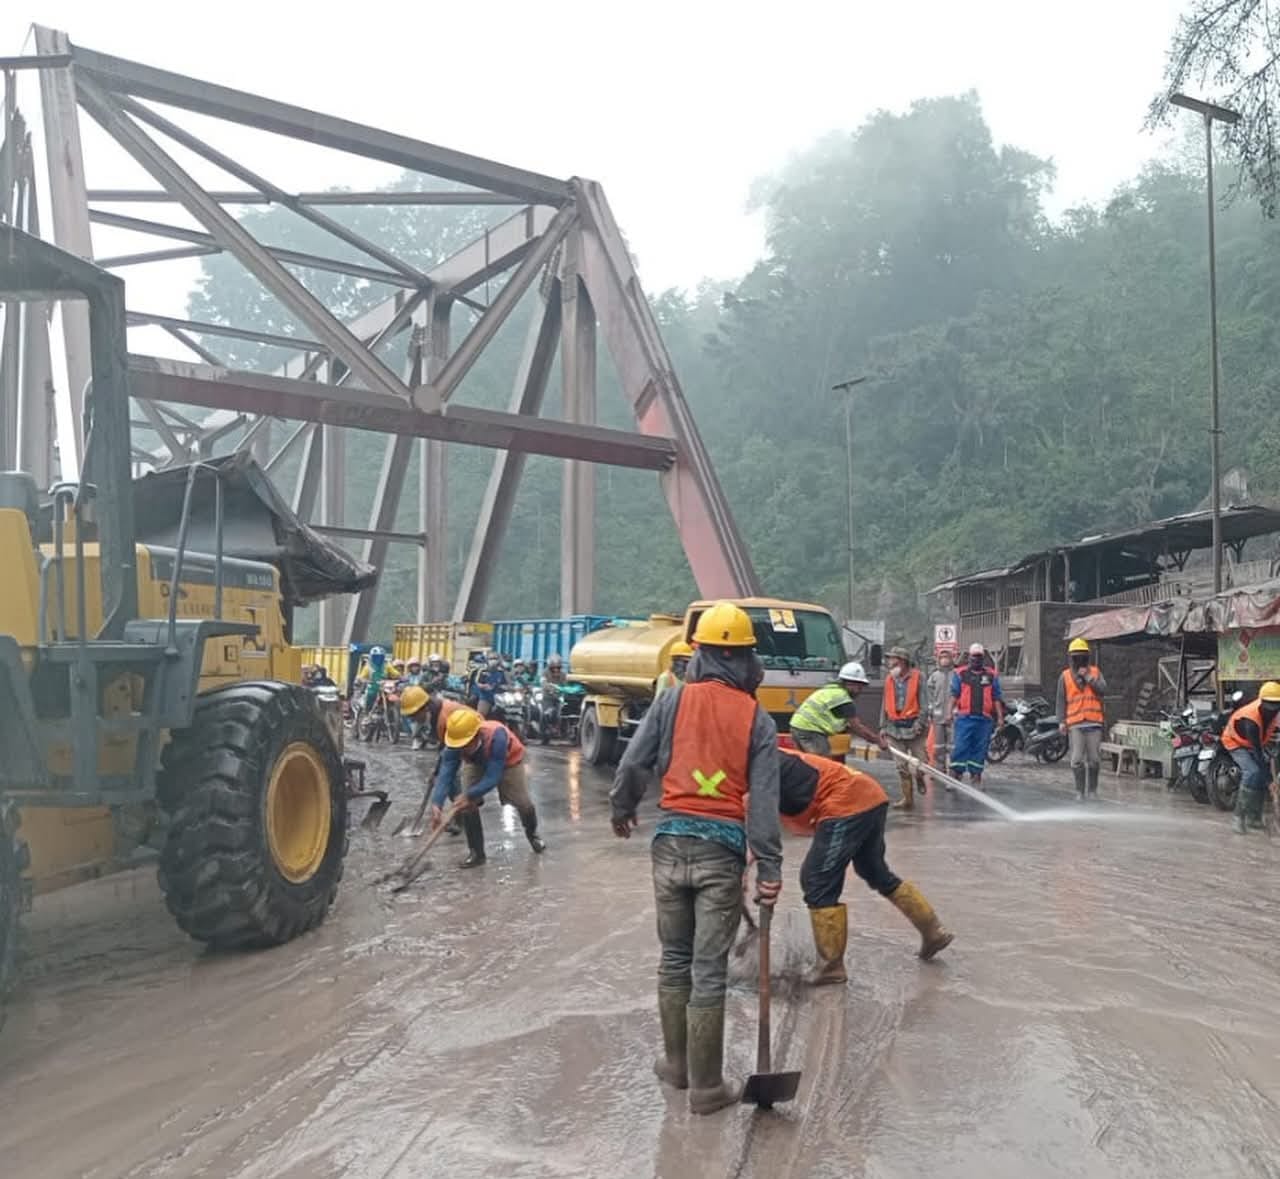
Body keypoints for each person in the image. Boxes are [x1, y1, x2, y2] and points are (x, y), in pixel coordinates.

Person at [609, 602, 783, 1116]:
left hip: (669, 844)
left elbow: (633, 762)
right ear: (748, 660)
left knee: (674, 960)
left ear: (700, 653)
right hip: (722, 851)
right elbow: (766, 803)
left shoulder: (671, 700)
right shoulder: (758, 719)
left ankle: (677, 1066)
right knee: (708, 970)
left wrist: (622, 810)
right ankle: (706, 1088)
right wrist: (769, 870)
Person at [778, 748, 953, 984]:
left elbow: (760, 827)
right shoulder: (766, 755)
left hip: (845, 802)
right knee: (873, 871)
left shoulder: (759, 764)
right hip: (869, 794)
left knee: (817, 879)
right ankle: (933, 931)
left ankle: (831, 967)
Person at [430, 706, 546, 866]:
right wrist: (437, 803)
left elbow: (493, 776)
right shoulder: (454, 742)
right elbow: (446, 772)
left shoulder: (497, 736)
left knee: (524, 804)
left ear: (477, 735)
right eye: (459, 746)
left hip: (508, 762)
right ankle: (476, 853)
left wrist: (470, 794)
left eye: (466, 744)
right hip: (475, 763)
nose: (462, 748)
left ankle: (532, 834)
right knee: (466, 805)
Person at [789, 661, 887, 760]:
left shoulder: (830, 690)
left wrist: (872, 739)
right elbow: (857, 727)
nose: (860, 690)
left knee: (806, 763)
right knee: (823, 765)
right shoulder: (843, 699)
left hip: (797, 727)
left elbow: (849, 727)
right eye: (859, 686)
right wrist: (877, 740)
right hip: (811, 731)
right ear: (850, 683)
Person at [1221, 680, 1280, 834]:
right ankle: (1238, 817)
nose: (1272, 710)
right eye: (1269, 706)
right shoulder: (1250, 719)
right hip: (1236, 742)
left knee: (1260, 775)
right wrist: (1270, 781)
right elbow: (1258, 753)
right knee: (1253, 772)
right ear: (1262, 702)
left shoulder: (1276, 712)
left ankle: (1254, 818)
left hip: (1259, 742)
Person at [880, 646, 930, 810]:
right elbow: (884, 704)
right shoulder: (889, 679)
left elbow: (924, 703)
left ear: (902, 661)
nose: (889, 662)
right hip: (894, 729)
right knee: (901, 766)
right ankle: (908, 799)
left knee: (920, 763)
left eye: (892, 659)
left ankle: (920, 777)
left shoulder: (918, 677)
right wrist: (882, 726)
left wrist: (919, 724)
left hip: (914, 727)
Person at [1057, 638, 1108, 801]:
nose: (1080, 660)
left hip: (1094, 723)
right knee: (1077, 760)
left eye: (1082, 657)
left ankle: (1092, 791)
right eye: (1076, 657)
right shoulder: (1064, 676)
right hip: (1076, 724)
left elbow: (1103, 690)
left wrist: (1088, 678)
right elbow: (1060, 700)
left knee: (1094, 760)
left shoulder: (1095, 672)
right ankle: (1080, 791)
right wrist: (1061, 721)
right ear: (1071, 658)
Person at [950, 643, 1004, 783]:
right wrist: (949, 712)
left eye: (979, 656)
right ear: (969, 657)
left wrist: (1000, 717)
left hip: (984, 719)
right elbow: (954, 695)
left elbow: (996, 697)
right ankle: (956, 773)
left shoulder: (991, 675)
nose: (977, 659)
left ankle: (976, 774)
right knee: (961, 745)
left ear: (983, 657)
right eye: (974, 656)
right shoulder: (960, 674)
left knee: (980, 748)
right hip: (965, 718)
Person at [927, 649, 955, 776]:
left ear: (951, 659)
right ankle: (940, 771)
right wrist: (930, 711)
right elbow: (929, 695)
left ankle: (953, 772)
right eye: (942, 657)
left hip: (953, 716)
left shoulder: (956, 675)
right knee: (938, 746)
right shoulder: (934, 676)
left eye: (946, 657)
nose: (944, 659)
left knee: (952, 746)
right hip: (937, 716)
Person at [472, 652, 507, 717]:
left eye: (495, 659)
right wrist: (485, 686)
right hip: (486, 697)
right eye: (491, 659)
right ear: (487, 660)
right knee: (480, 716)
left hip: (499, 699)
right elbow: (478, 683)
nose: (493, 661)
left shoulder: (501, 672)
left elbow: (505, 684)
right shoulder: (483, 671)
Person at [400, 684, 431, 749]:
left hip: (420, 715)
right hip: (421, 714)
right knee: (418, 729)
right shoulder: (417, 692)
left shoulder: (410, 696)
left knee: (417, 730)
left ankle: (418, 740)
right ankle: (419, 739)